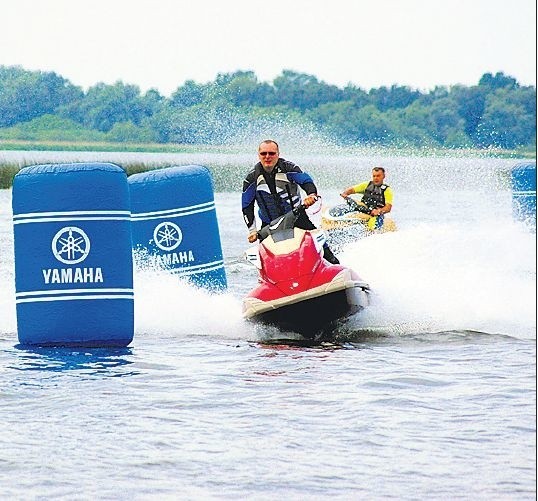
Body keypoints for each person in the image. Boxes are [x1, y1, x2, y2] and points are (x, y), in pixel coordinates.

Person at [242, 139, 340, 264]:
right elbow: (246, 205)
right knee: (265, 260)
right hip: (269, 224)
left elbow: (306, 181)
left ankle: (336, 266)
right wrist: (252, 231)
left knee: (321, 245)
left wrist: (311, 195)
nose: (267, 157)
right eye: (264, 153)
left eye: (271, 153)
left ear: (278, 154)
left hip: (297, 217)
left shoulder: (289, 168)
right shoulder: (251, 178)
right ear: (259, 155)